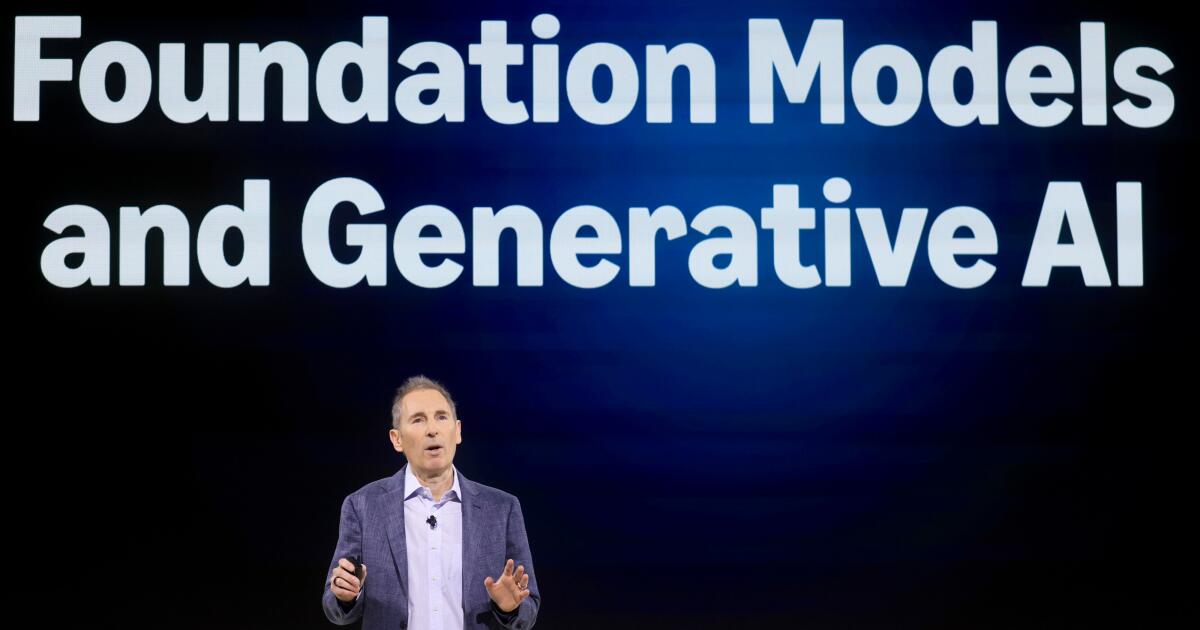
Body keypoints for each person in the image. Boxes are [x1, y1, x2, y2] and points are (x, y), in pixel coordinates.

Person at [322, 375, 540, 629]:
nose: (432, 430)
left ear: (457, 431)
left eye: (441, 417)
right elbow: (334, 606)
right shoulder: (362, 506)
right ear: (397, 439)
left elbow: (529, 607)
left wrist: (510, 608)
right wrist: (346, 596)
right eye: (418, 420)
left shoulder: (502, 509)